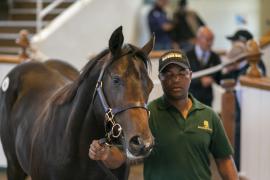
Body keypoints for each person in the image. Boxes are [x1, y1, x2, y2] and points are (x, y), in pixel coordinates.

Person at [89, 50, 239, 180]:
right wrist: (106, 154)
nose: (175, 79)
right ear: (160, 78)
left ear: (190, 75)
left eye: (182, 73)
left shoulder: (209, 115)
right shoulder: (148, 115)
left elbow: (225, 160)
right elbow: (121, 156)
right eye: (168, 74)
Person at [223, 29, 267, 170]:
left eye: (235, 43)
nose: (233, 45)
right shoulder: (238, 67)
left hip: (249, 118)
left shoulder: (256, 66)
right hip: (238, 115)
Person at [186, 26, 221, 107]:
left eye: (212, 40)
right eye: (207, 39)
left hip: (207, 101)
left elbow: (219, 78)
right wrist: (200, 81)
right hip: (189, 99)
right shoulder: (186, 55)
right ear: (198, 39)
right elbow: (182, 77)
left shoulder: (215, 57)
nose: (210, 43)